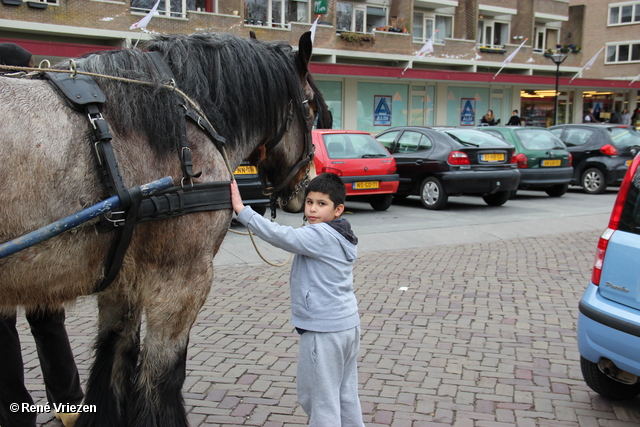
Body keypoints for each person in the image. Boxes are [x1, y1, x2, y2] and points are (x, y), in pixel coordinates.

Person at [231, 173, 365, 426]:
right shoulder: (341, 233)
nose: (313, 209)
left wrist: (241, 210)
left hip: (324, 330)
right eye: (310, 202)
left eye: (321, 204)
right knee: (345, 395)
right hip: (347, 326)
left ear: (338, 210)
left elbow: (281, 235)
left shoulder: (321, 236)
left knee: (318, 399)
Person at [0, 42, 84, 427]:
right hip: (41, 244)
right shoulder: (44, 124)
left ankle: (17, 415)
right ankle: (68, 404)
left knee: (3, 327)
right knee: (48, 319)